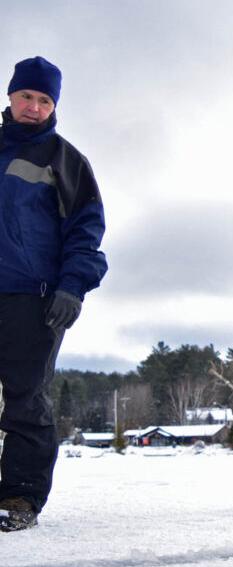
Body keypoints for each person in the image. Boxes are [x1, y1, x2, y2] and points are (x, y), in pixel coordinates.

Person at [0, 56, 107, 532]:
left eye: (45, 100)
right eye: (27, 96)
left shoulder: (66, 161)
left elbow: (86, 231)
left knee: (25, 399)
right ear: (10, 96)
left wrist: (72, 287)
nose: (35, 106)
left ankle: (20, 496)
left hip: (34, 298)